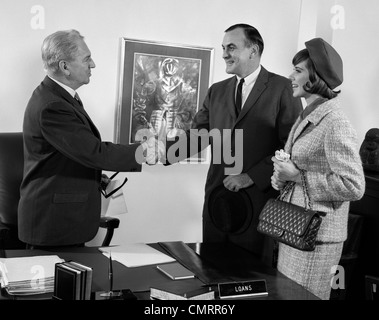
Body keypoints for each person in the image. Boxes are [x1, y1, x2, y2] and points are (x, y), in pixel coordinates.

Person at [164, 23, 303, 266]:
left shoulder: (282, 88)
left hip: (259, 202)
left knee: (250, 277)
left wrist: (251, 176)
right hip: (218, 199)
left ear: (253, 50)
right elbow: (199, 135)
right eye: (223, 48)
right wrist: (162, 152)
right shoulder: (217, 91)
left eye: (231, 47)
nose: (225, 54)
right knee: (212, 268)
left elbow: (290, 146)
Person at [18, 29, 162, 248]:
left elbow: (73, 153)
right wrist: (146, 151)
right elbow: (95, 152)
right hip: (53, 225)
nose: (93, 64)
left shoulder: (59, 97)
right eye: (86, 59)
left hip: (64, 220)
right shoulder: (52, 106)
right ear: (65, 66)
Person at [271, 37, 366, 300]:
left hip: (316, 238)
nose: (291, 76)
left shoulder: (335, 122)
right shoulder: (308, 116)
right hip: (294, 228)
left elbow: (353, 186)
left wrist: (297, 175)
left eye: (298, 71)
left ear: (316, 77)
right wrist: (282, 174)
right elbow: (296, 170)